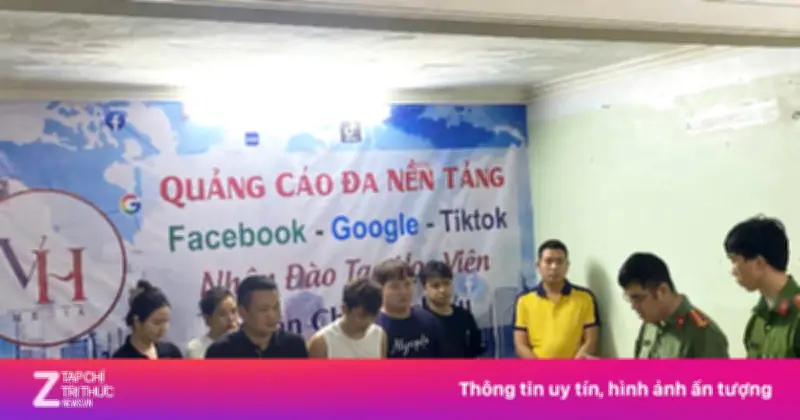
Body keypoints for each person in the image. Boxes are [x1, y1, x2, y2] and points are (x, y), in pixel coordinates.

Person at [619, 252, 729, 358]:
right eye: (628, 298)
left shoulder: (704, 335)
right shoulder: (650, 325)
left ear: (662, 291)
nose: (633, 306)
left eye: (637, 298)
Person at [725, 216, 800, 358]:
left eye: (735, 260)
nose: (732, 271)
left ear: (758, 263)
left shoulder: (796, 317)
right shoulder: (757, 321)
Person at [514, 240, 599, 359]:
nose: (554, 267)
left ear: (567, 265)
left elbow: (591, 340)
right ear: (538, 265)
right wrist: (539, 368)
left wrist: (574, 367)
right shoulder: (524, 300)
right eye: (548, 261)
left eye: (559, 262)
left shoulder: (585, 298)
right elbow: (520, 345)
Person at [205, 274, 308, 358]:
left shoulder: (294, 346)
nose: (272, 315)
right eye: (264, 309)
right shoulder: (221, 351)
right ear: (242, 312)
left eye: (276, 307)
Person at [372, 259, 447, 358]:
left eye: (407, 284)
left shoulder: (429, 321)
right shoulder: (373, 329)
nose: (403, 291)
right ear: (379, 289)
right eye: (395, 287)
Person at [419, 260, 485, 358]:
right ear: (424, 289)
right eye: (435, 286)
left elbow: (475, 351)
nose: (443, 290)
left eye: (446, 283)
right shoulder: (419, 321)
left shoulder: (464, 317)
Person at [307, 278, 386, 358]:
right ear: (344, 308)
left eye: (374, 315)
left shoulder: (379, 335)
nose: (368, 322)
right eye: (362, 315)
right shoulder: (321, 343)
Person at [112, 280, 183, 359]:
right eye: (157, 322)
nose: (163, 328)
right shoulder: (122, 358)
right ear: (137, 322)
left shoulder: (171, 353)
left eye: (166, 321)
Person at [185, 287, 239, 359]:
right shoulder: (195, 349)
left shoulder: (247, 343)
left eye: (234, 311)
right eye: (222, 314)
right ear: (208, 319)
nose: (231, 318)